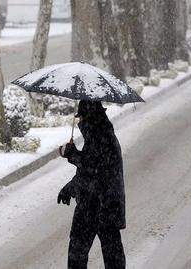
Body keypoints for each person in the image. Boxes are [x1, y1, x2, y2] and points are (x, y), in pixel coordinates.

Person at [58, 100, 126, 269]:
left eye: (81, 117)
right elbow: (89, 171)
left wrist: (73, 155)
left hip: (99, 206)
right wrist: (71, 187)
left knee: (81, 257)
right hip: (101, 205)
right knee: (109, 257)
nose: (80, 122)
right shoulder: (100, 134)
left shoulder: (101, 136)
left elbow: (94, 169)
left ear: (90, 117)